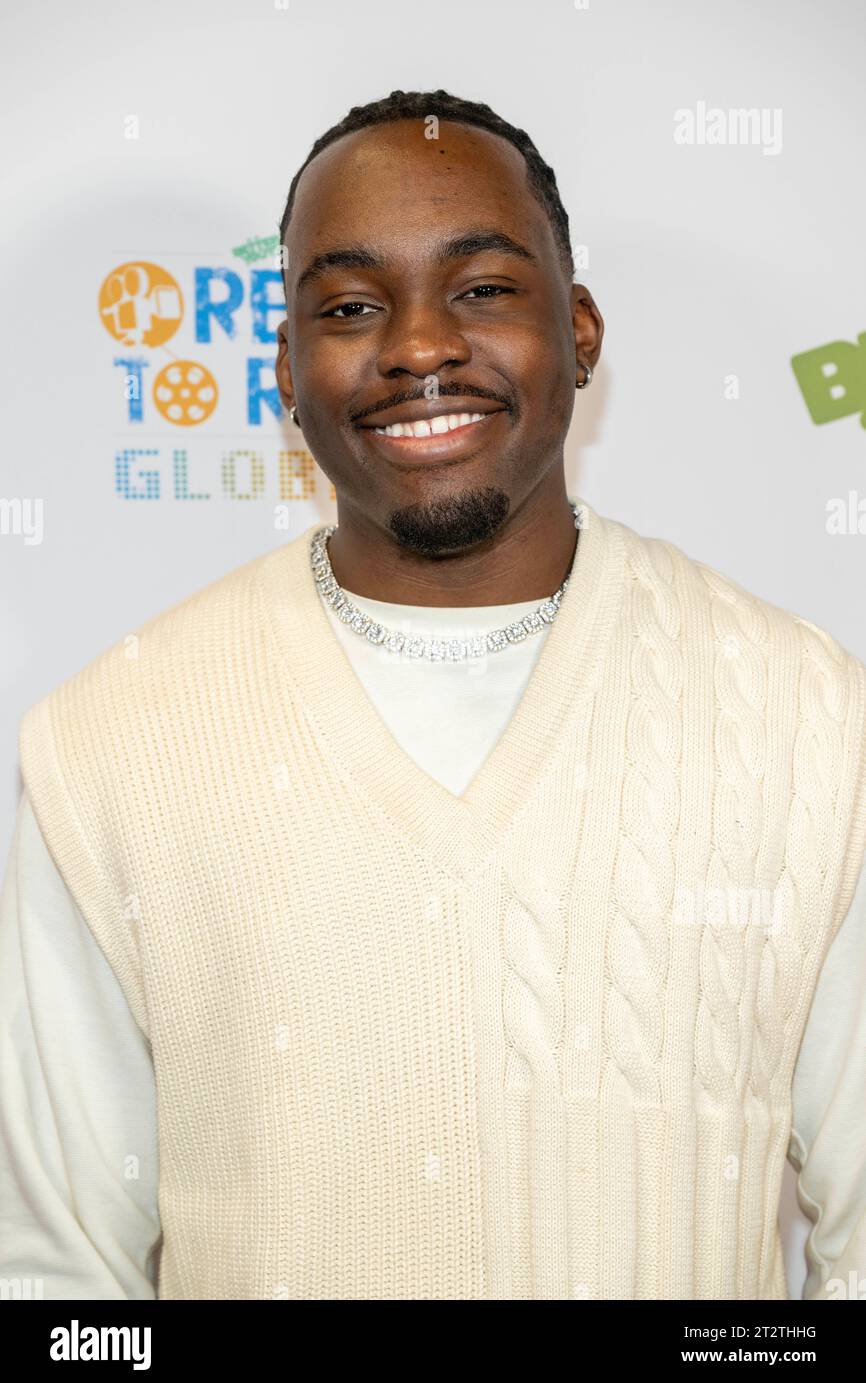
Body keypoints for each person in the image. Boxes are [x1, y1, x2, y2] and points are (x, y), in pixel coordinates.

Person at [2, 89, 865, 1301]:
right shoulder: (108, 743)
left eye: (480, 288)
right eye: (349, 307)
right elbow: (58, 1286)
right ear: (286, 376)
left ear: (579, 332)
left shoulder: (807, 717)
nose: (416, 346)